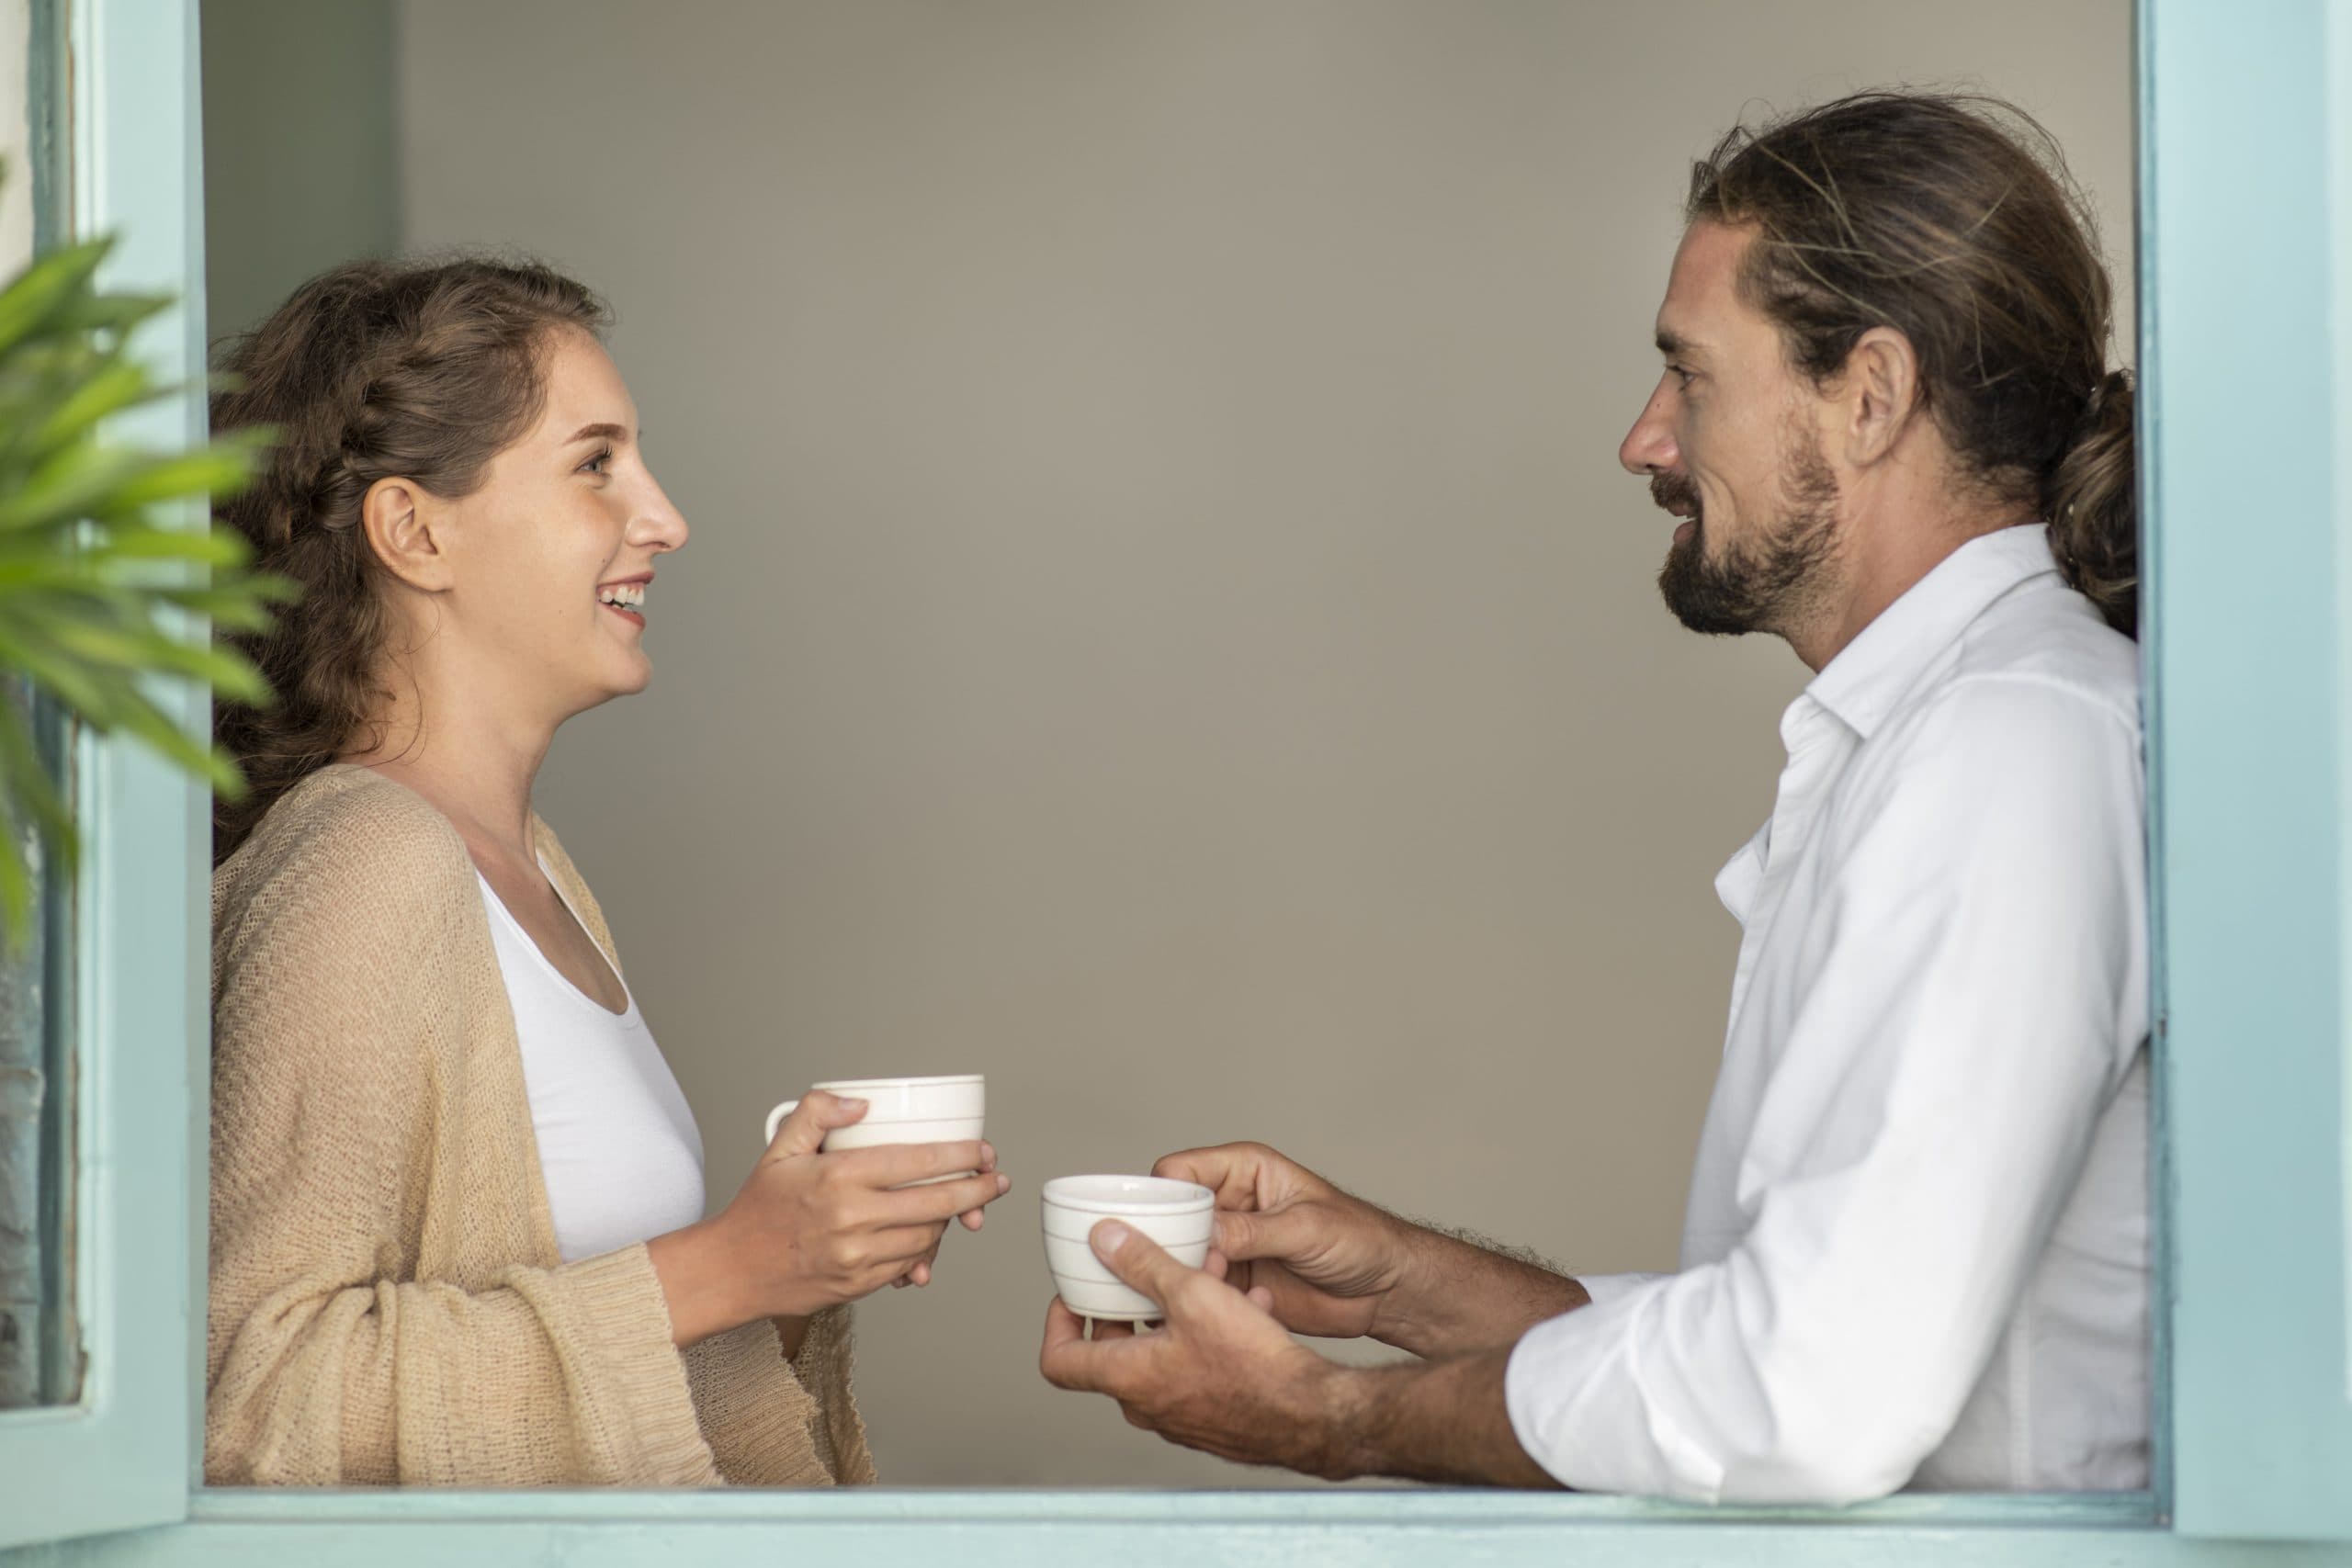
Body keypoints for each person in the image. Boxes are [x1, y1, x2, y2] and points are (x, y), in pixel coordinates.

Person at [1039, 90, 2147, 1504]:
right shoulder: (1954, 734)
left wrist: (1337, 1421)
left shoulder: (2009, 751)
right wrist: (1407, 1284)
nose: (1646, 442)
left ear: (1869, 396)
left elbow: (1804, 1395)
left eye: (1690, 375)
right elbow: (1774, 1339)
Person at [206, 258, 1011, 1486]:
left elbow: (612, 1385)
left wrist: (793, 1272)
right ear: (416, 532)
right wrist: (730, 1263)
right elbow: (254, 1402)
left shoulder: (536, 874)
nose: (665, 518)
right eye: (596, 465)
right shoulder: (363, 868)